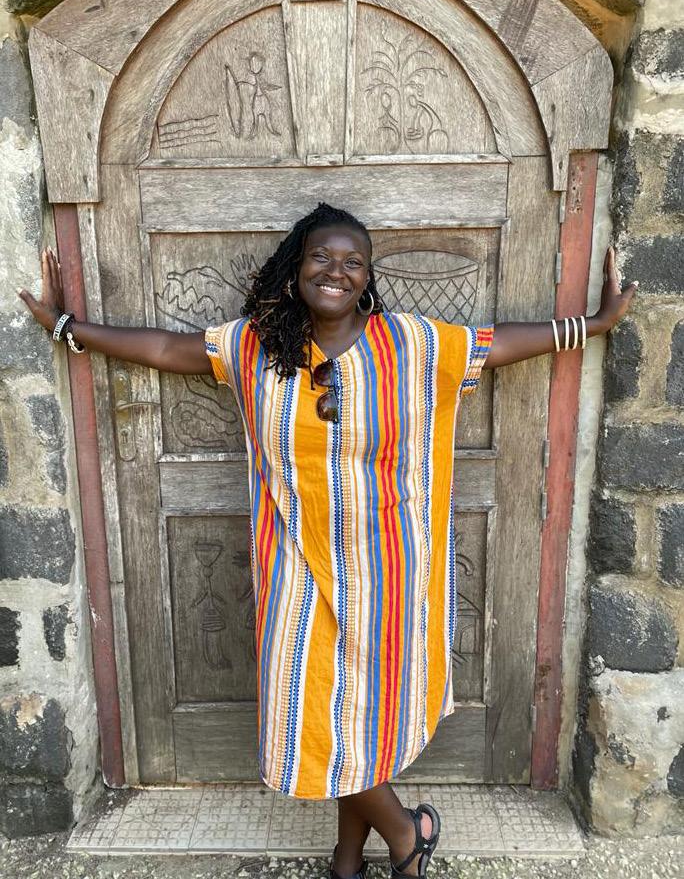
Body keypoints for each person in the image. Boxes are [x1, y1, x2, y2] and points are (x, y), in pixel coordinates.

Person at [18, 202, 637, 879]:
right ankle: (407, 833)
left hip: (387, 568)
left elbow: (498, 344)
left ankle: (347, 857)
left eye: (353, 262)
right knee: (314, 711)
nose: (335, 271)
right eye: (321, 257)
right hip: (296, 565)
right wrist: (67, 327)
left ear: (367, 277)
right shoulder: (255, 345)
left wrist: (592, 324)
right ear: (297, 267)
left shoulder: (410, 343)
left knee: (360, 717)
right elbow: (166, 350)